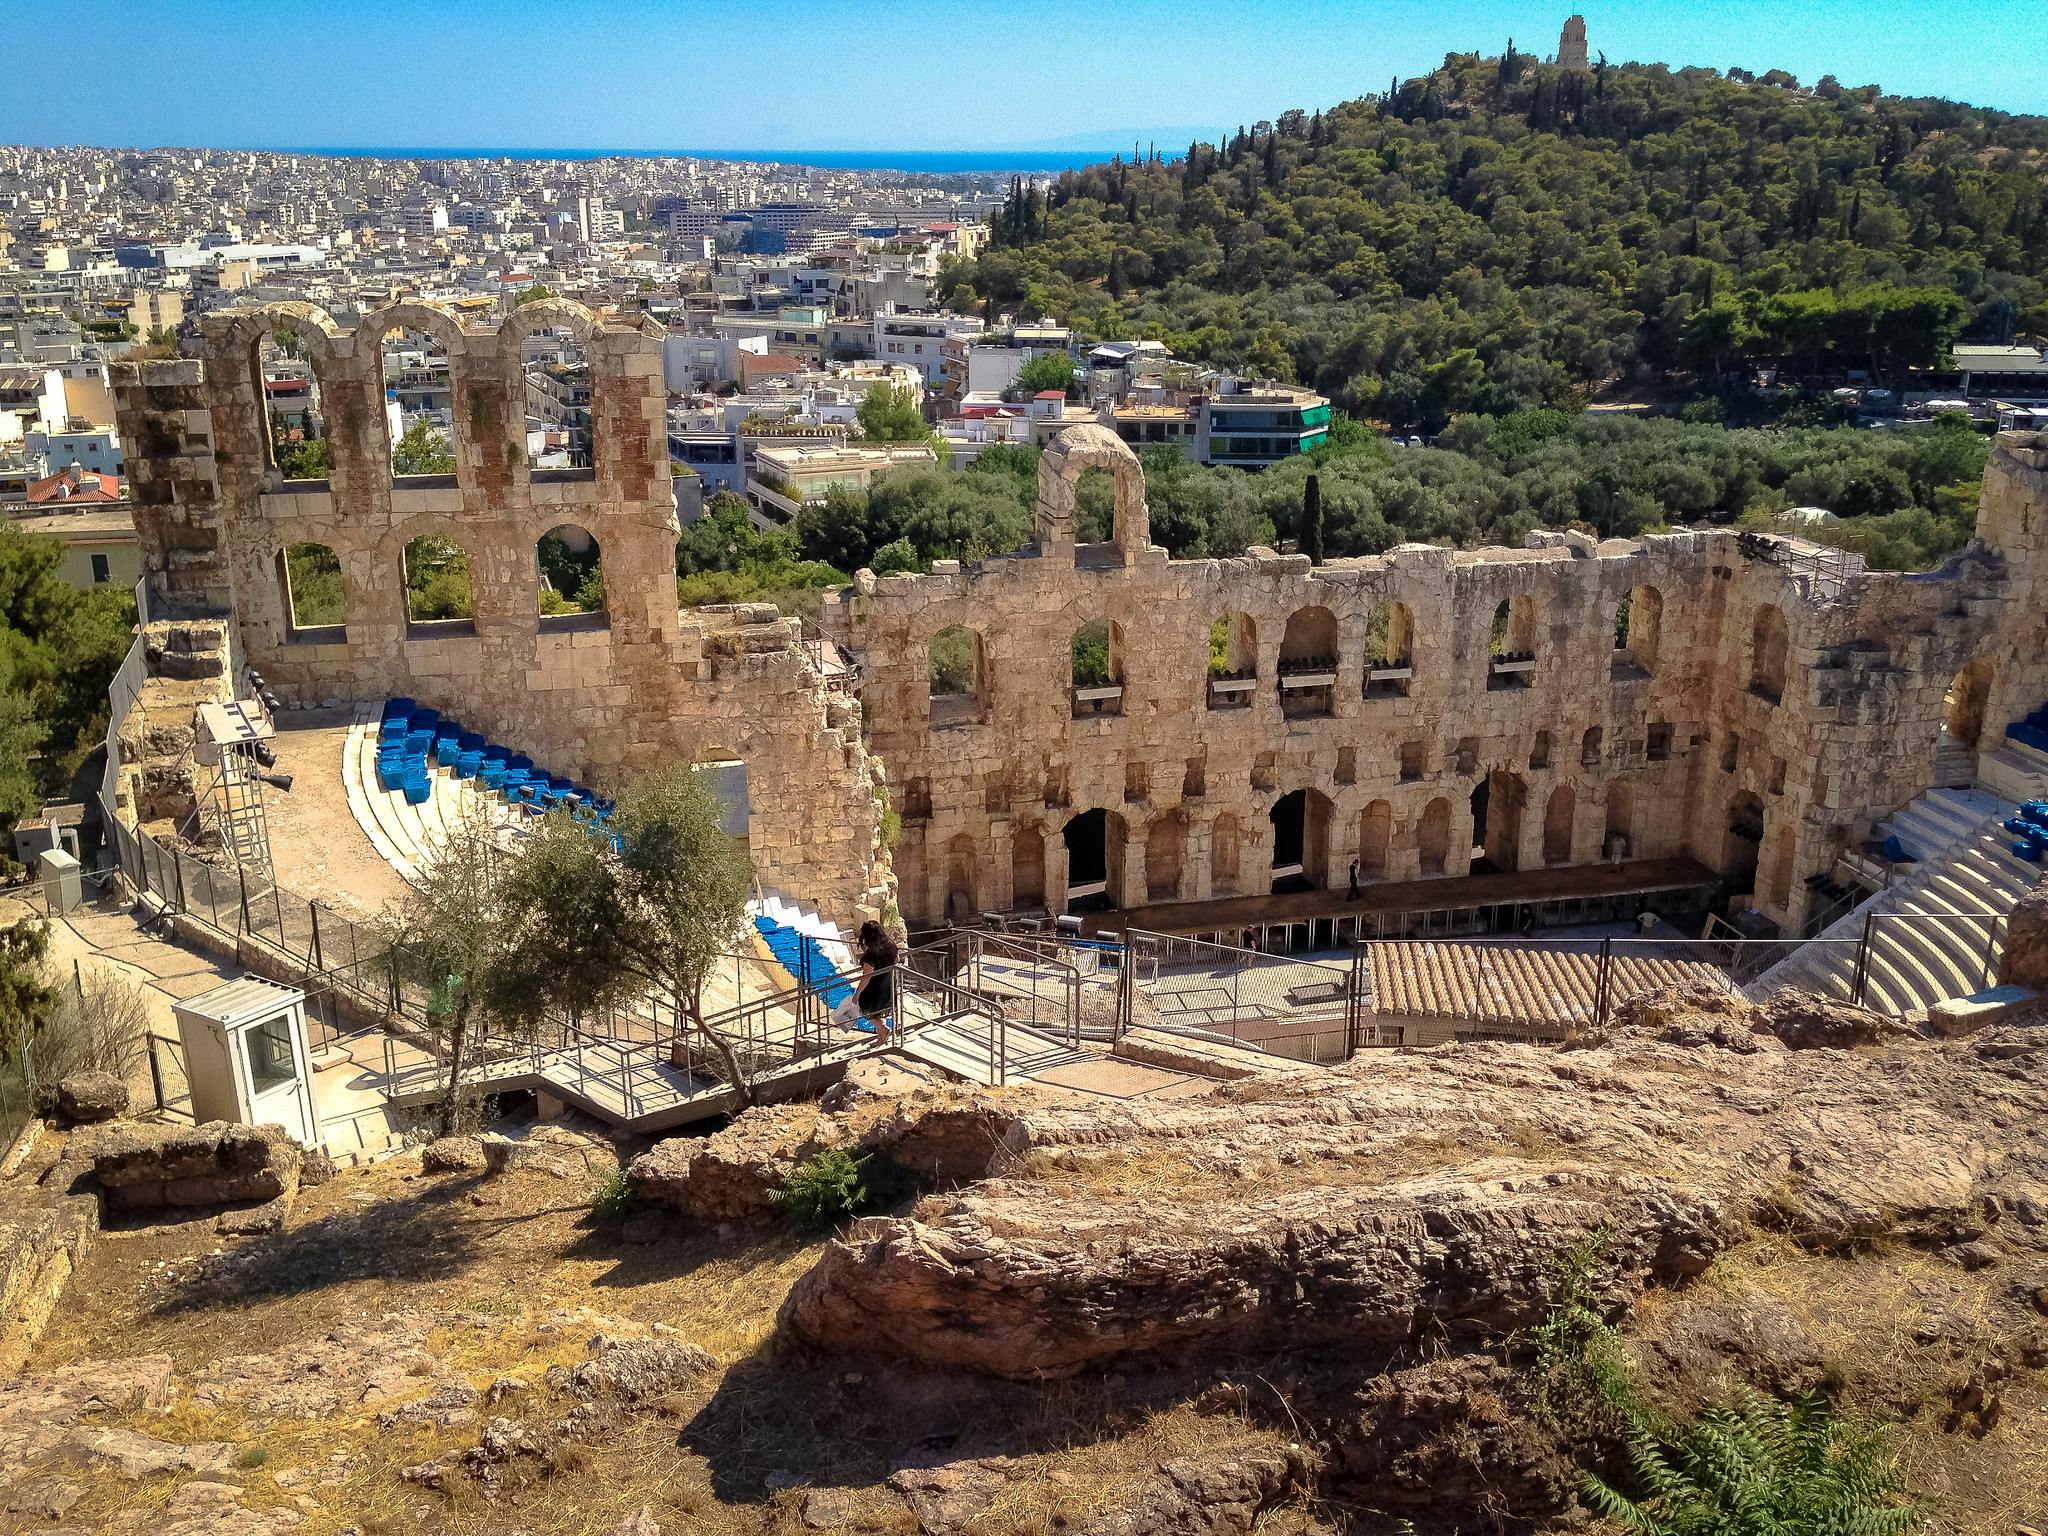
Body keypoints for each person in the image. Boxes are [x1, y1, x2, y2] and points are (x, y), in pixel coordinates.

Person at [854, 919, 898, 1044]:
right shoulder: (890, 946)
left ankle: (885, 1029)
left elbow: (867, 975)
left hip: (875, 989)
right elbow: (897, 959)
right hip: (889, 984)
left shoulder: (871, 954)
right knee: (878, 1013)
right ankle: (881, 1039)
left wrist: (857, 994)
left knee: (863, 1009)